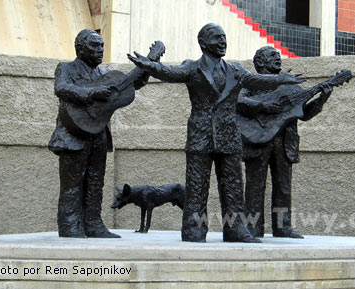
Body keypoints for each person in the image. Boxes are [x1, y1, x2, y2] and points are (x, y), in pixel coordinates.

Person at [128, 23, 305, 243]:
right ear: (203, 43)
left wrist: (281, 79)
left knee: (233, 186)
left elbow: (257, 80)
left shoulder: (236, 69)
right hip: (200, 136)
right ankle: (194, 231)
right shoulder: (192, 67)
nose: (222, 41)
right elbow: (170, 73)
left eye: (224, 37)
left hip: (229, 136)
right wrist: (151, 66)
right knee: (197, 187)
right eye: (216, 37)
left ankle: (236, 230)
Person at [49, 29, 148, 238]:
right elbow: (62, 88)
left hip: (99, 133)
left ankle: (93, 224)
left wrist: (145, 70)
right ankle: (70, 226)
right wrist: (92, 92)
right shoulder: (66, 68)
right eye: (95, 45)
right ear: (80, 48)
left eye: (102, 45)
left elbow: (130, 86)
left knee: (96, 182)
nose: (100, 49)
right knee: (73, 184)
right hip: (73, 134)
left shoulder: (103, 73)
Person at [237, 46, 332, 238]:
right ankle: (253, 228)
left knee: (284, 185)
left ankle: (283, 227)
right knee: (255, 185)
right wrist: (263, 106)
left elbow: (304, 113)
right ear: (261, 62)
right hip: (259, 140)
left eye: (278, 55)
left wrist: (322, 98)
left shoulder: (291, 86)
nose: (278, 57)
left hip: (284, 141)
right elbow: (238, 101)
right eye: (273, 55)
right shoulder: (251, 83)